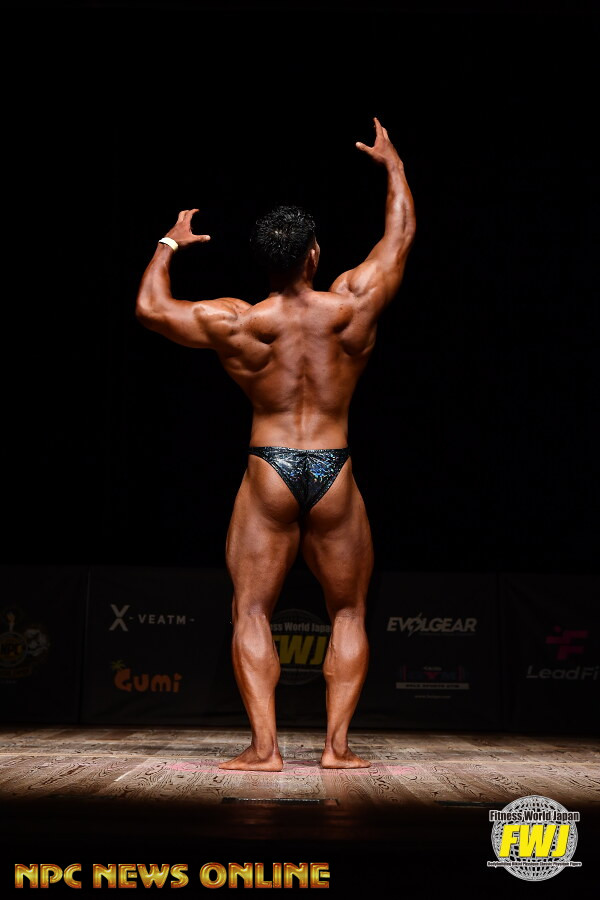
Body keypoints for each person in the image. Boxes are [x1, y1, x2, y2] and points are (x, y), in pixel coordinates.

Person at [135, 118, 416, 770]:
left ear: (265, 262)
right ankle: (336, 749)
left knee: (252, 610)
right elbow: (400, 236)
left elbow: (150, 308)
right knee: (348, 611)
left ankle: (264, 750)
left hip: (270, 466)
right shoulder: (352, 306)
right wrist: (394, 166)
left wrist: (170, 242)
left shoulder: (239, 322)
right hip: (334, 466)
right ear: (314, 256)